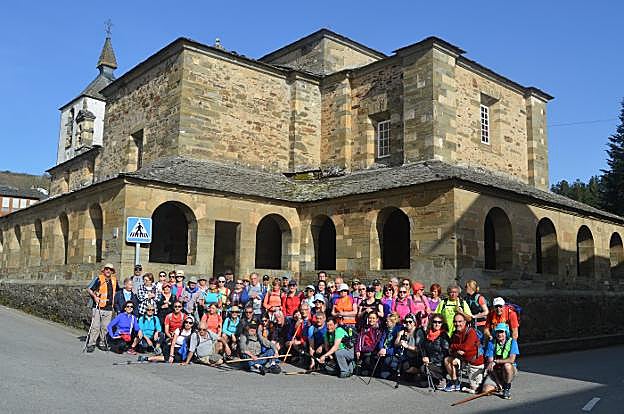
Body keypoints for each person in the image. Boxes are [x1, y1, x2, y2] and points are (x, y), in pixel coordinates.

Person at [444, 313, 484, 393]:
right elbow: (452, 350)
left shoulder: (471, 332)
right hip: (464, 361)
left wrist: (454, 346)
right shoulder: (455, 333)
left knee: (474, 388)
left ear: (465, 322)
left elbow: (466, 347)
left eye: (460, 321)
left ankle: (480, 379)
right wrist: (457, 350)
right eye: (455, 322)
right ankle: (455, 382)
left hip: (475, 363)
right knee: (447, 360)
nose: (457, 324)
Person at [85, 263, 119, 352]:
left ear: (112, 271)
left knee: (105, 327)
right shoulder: (99, 278)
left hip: (109, 307)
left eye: (110, 269)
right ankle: (91, 344)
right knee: (95, 327)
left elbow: (118, 291)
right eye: (107, 269)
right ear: (104, 270)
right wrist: (95, 297)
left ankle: (102, 343)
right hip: (98, 307)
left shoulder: (114, 280)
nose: (108, 271)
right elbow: (89, 289)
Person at [482, 323, 519, 399]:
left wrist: (496, 361)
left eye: (502, 332)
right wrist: (497, 382)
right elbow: (491, 366)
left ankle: (506, 388)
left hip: (509, 370)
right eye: (497, 332)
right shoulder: (491, 343)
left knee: (507, 365)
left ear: (506, 333)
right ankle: (499, 385)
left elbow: (511, 359)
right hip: (496, 372)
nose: (499, 334)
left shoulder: (512, 342)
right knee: (486, 391)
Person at [415, 312, 450, 388]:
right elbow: (423, 348)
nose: (437, 324)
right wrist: (424, 356)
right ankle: (433, 380)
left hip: (440, 365)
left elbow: (445, 353)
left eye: (439, 322)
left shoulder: (444, 336)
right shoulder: (428, 334)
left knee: (423, 368)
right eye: (435, 322)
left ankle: (442, 378)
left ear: (442, 324)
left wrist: (430, 360)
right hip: (429, 362)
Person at [394, 313, 420, 378]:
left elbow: (419, 350)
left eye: (410, 322)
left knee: (408, 372)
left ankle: (418, 372)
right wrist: (400, 341)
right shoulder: (403, 331)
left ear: (414, 322)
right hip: (405, 357)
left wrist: (407, 346)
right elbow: (395, 344)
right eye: (406, 322)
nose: (408, 323)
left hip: (416, 358)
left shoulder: (418, 332)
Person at [378, 312, 402, 379]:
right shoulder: (386, 330)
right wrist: (381, 348)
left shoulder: (398, 330)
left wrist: (387, 351)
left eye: (388, 321)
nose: (386, 323)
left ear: (393, 322)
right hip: (384, 351)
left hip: (392, 353)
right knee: (382, 375)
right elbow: (382, 340)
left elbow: (396, 348)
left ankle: (395, 372)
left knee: (388, 361)